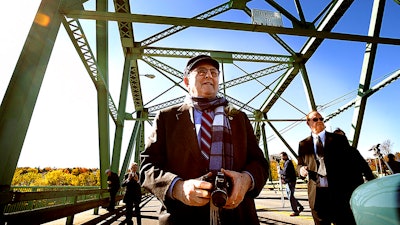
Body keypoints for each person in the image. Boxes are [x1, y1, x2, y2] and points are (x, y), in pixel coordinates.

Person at [140, 55, 269, 225]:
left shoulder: (238, 117)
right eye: (201, 72)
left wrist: (247, 179)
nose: (209, 75)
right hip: (183, 217)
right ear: (186, 82)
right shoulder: (167, 117)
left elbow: (259, 162)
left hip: (238, 217)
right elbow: (147, 168)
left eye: (214, 73)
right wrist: (178, 188)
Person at [297, 110, 360, 225]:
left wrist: (354, 193)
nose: (320, 121)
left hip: (339, 196)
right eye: (315, 119)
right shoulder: (303, 144)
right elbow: (300, 164)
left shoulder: (339, 140)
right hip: (317, 196)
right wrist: (301, 170)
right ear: (308, 123)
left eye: (321, 119)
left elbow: (351, 167)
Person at [277, 151, 304, 217]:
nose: (281, 158)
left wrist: (279, 171)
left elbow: (285, 172)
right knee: (290, 196)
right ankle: (300, 207)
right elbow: (286, 172)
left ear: (285, 156)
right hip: (289, 181)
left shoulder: (288, 162)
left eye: (281, 156)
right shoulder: (286, 163)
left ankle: (295, 211)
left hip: (290, 182)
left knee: (290, 196)